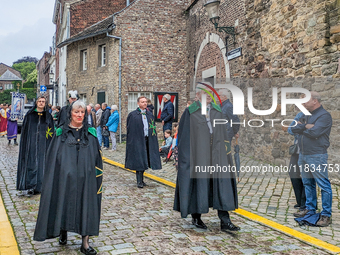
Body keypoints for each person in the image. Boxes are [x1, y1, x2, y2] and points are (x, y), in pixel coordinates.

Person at [33, 100, 102, 255]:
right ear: (70, 113)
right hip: (65, 178)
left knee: (86, 206)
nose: (79, 115)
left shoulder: (90, 133)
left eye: (82, 112)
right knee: (63, 201)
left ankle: (85, 243)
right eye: (76, 112)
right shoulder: (60, 133)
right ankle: (62, 230)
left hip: (86, 178)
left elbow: (96, 158)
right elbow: (53, 159)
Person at [174, 85, 240, 233]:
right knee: (199, 184)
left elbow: (224, 132)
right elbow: (184, 137)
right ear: (197, 95)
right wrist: (186, 158)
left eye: (210, 94)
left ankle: (225, 220)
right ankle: (196, 216)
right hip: (198, 155)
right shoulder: (190, 112)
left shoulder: (217, 111)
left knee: (221, 185)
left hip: (217, 155)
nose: (208, 96)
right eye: (205, 94)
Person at [291, 91, 333, 227]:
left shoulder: (324, 116)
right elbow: (293, 128)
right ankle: (310, 209)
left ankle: (326, 215)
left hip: (317, 155)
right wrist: (305, 126)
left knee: (323, 185)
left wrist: (302, 128)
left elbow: (315, 132)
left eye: (306, 100)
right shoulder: (305, 115)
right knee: (308, 184)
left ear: (315, 100)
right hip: (303, 154)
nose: (303, 103)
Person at [16, 96, 54, 196]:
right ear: (36, 102)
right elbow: (25, 131)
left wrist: (49, 142)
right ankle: (30, 186)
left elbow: (51, 131)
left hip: (43, 144)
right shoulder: (30, 115)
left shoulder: (48, 116)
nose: (41, 103)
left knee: (42, 164)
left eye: (43, 101)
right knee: (31, 164)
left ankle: (40, 186)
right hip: (31, 144)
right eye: (39, 101)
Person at [125, 96, 162, 188]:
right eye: (142, 102)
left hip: (148, 140)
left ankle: (142, 179)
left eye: (145, 102)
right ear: (138, 103)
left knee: (145, 159)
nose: (144, 103)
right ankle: (139, 181)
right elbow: (130, 129)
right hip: (137, 141)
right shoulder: (133, 115)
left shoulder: (149, 115)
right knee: (139, 160)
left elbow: (152, 128)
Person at [287, 95, 306, 212]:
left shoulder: (313, 115)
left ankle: (305, 203)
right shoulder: (299, 115)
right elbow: (290, 129)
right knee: (293, 173)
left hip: (307, 152)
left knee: (306, 177)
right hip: (297, 151)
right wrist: (299, 127)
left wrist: (300, 127)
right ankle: (299, 200)